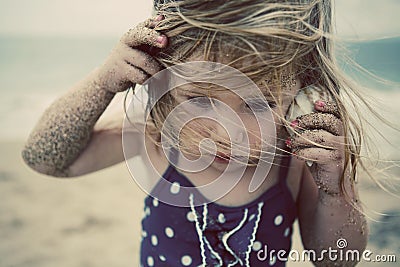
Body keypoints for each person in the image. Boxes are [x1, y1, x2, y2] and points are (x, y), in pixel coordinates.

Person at [22, 0, 369, 266]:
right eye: (200, 100)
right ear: (166, 82)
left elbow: (337, 258)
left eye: (259, 105)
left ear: (301, 94)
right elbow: (45, 160)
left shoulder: (292, 159)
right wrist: (102, 84)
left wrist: (334, 191)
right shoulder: (156, 136)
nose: (226, 132)